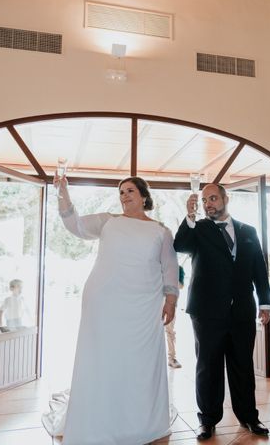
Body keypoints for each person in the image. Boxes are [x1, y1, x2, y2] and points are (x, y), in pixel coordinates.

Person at [43, 176, 179, 445]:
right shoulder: (108, 221)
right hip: (103, 303)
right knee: (103, 358)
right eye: (121, 192)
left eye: (130, 190)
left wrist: (171, 300)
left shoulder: (161, 231)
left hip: (142, 308)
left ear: (143, 196)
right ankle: (100, 418)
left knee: (139, 362)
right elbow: (76, 225)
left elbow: (169, 267)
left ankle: (140, 420)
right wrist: (63, 192)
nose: (124, 195)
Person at [174, 183, 270, 440]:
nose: (209, 204)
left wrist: (265, 302)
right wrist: (190, 217)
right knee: (208, 367)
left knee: (242, 366)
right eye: (205, 200)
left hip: (241, 310)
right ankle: (207, 420)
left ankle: (249, 417)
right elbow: (179, 245)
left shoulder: (248, 231)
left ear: (226, 198)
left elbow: (259, 269)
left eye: (213, 198)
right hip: (206, 312)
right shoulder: (199, 229)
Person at [165, 265, 184, 368]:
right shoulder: (158, 266)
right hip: (156, 303)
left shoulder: (179, 268)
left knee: (170, 331)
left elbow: (181, 286)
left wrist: (172, 277)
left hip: (171, 304)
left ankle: (172, 358)